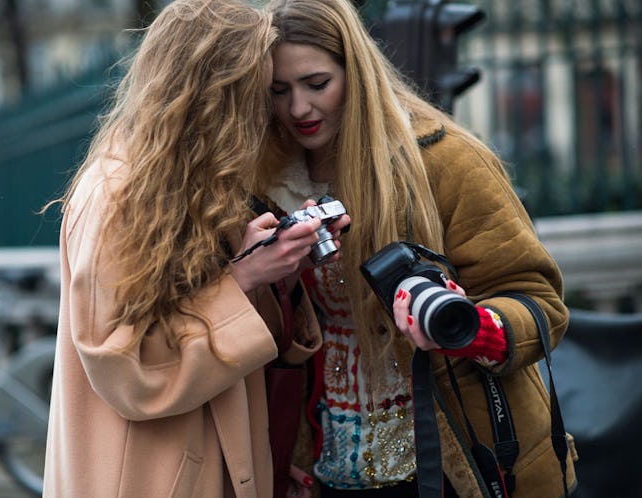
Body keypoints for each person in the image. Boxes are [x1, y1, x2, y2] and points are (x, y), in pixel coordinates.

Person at [254, 0, 580, 497]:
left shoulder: (446, 161)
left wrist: (467, 329)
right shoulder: (264, 186)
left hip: (461, 464)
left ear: (356, 73)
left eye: (317, 84)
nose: (299, 108)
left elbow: (541, 305)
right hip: (331, 468)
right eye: (279, 91)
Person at [41, 1, 350, 496]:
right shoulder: (116, 195)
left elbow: (224, 343)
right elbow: (126, 368)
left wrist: (278, 272)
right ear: (214, 93)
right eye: (260, 91)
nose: (272, 112)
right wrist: (245, 278)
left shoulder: (202, 184)